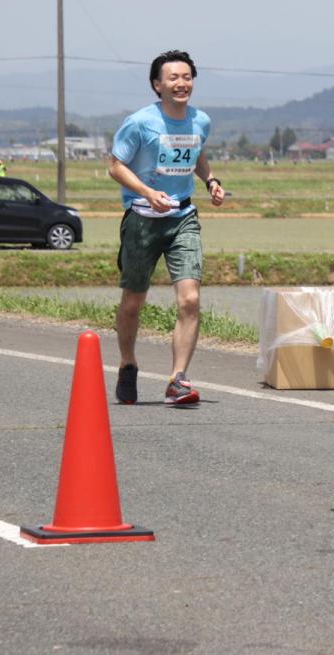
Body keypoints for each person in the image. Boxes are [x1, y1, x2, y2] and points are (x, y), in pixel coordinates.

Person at [108, 50, 225, 407]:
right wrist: (146, 192)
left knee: (190, 299)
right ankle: (128, 363)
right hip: (142, 219)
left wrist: (211, 180)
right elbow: (115, 166)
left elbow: (197, 153)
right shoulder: (140, 123)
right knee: (133, 302)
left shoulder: (200, 121)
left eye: (187, 77)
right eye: (173, 78)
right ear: (157, 85)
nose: (181, 83)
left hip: (183, 217)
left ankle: (178, 379)